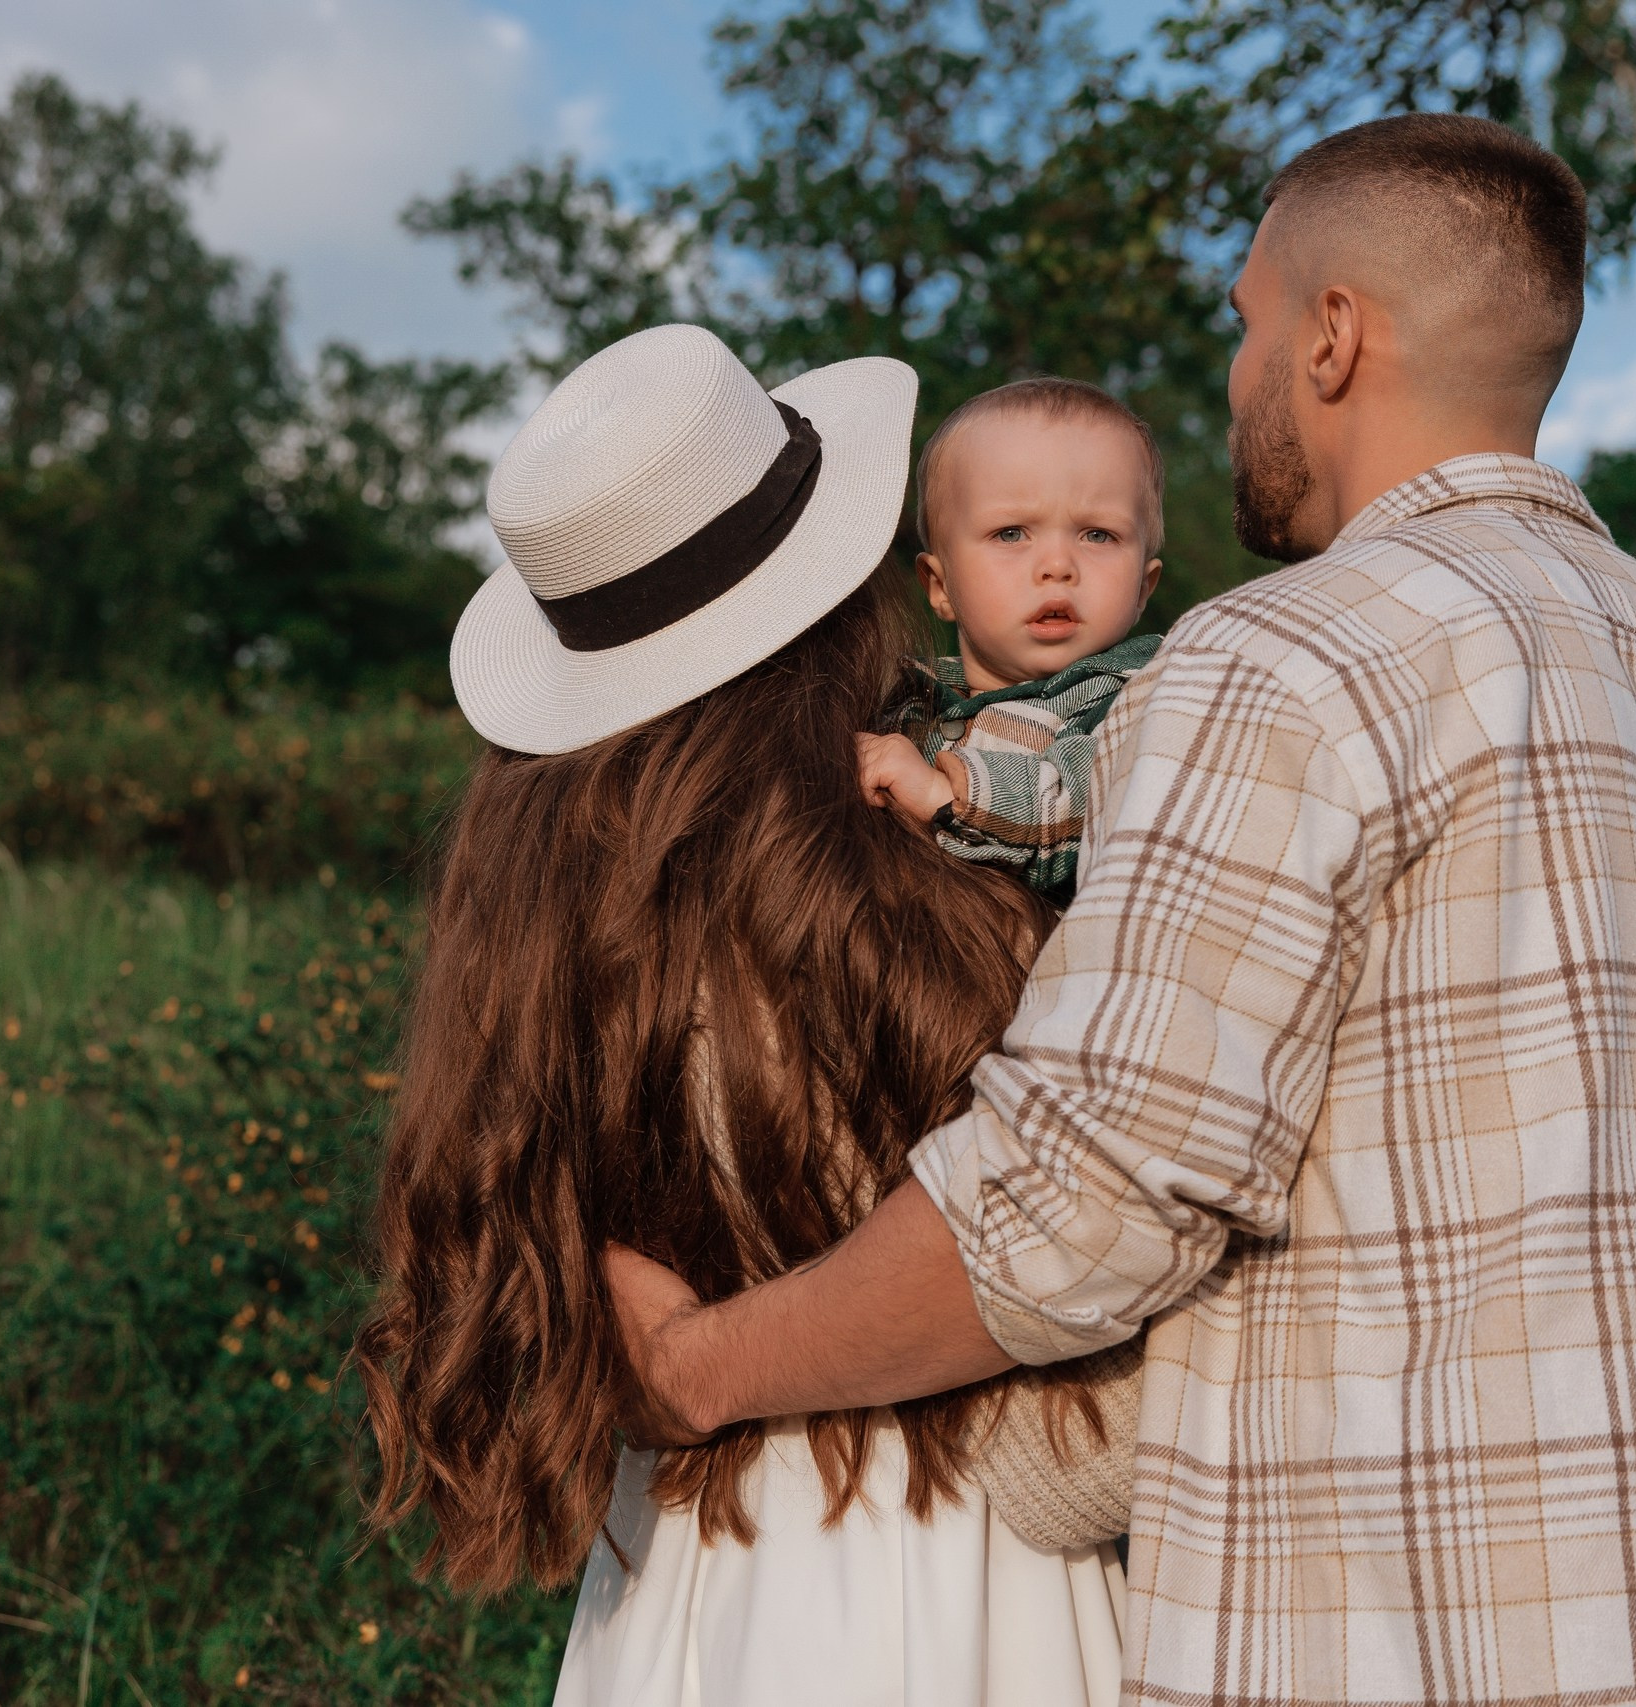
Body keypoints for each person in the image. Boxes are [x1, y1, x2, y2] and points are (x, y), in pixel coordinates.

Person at [604, 114, 1636, 1707]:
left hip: (1418, 1648)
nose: (1236, 377)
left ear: (1334, 334)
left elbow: (1073, 1207)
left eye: (1243, 322)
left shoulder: (1285, 659)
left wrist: (696, 1365)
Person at [354, 323, 1128, 1707]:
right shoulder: (922, 866)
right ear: (854, 584)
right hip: (973, 1534)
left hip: (691, 1549)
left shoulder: (533, 898)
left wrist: (686, 1363)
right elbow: (1051, 1229)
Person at [857, 378, 1166, 905]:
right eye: (1010, 533)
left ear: (1143, 586)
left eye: (1097, 535)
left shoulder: (1142, 698)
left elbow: (1090, 805)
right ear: (941, 586)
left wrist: (941, 794)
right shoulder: (900, 700)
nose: (1057, 566)